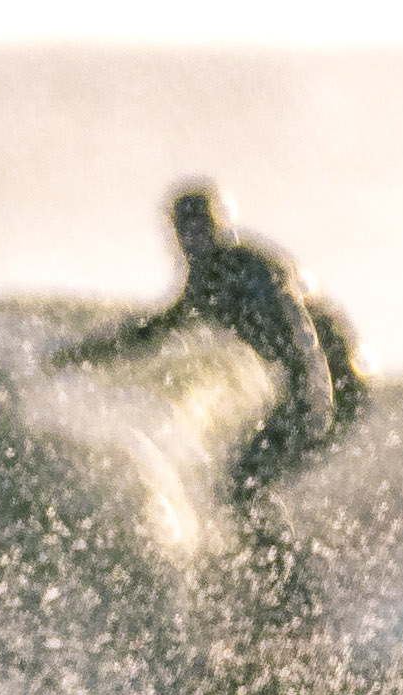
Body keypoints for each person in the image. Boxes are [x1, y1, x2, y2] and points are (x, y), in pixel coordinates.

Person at [59, 183, 369, 496]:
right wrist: (82, 355)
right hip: (318, 385)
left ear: (217, 224)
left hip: (338, 383)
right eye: (184, 227)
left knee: (242, 483)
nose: (192, 235)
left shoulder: (251, 268)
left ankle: (276, 545)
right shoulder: (205, 283)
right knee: (241, 485)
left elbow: (301, 337)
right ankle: (274, 544)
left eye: (200, 224)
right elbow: (155, 332)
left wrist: (312, 401)